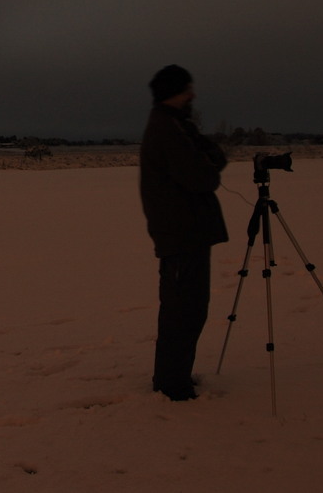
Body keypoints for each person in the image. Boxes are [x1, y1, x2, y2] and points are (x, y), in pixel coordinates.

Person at [139, 65, 228, 401]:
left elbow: (211, 158)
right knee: (182, 310)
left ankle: (176, 377)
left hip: (187, 234)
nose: (192, 94)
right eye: (186, 89)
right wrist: (208, 162)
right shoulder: (166, 128)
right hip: (180, 236)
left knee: (190, 308)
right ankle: (172, 385)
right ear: (172, 92)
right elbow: (202, 176)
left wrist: (207, 159)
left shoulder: (176, 124)